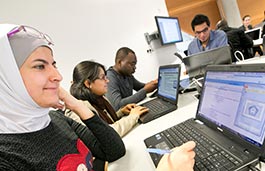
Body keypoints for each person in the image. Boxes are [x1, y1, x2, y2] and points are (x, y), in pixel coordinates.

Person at [0, 24, 126, 170]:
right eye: (40, 66)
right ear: (6, 79)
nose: (58, 76)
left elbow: (114, 151)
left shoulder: (55, 119)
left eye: (54, 65)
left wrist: (75, 104)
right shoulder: (5, 156)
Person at [66, 60, 149, 137]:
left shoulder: (99, 98)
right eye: (102, 78)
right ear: (88, 83)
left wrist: (121, 113)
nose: (107, 81)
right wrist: (133, 116)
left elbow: (104, 121)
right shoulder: (80, 110)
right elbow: (107, 135)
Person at [106, 47, 158, 111]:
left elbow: (141, 87)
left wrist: (155, 83)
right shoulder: (109, 77)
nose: (135, 67)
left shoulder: (127, 74)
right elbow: (117, 105)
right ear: (119, 62)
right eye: (132, 64)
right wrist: (145, 90)